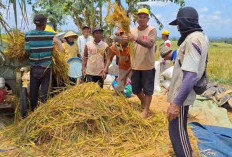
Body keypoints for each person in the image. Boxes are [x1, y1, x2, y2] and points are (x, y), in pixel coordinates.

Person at [167, 7, 209, 157]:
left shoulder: (192, 40)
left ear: (185, 22)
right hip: (182, 92)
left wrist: (176, 103)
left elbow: (190, 76)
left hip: (182, 96)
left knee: (178, 131)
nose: (177, 28)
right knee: (179, 128)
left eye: (179, 24)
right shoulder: (200, 37)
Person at [25, 14, 61, 111]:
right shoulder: (50, 36)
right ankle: (43, 112)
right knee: (45, 92)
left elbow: (27, 50)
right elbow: (60, 47)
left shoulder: (28, 35)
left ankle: (33, 111)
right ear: (44, 24)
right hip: (46, 68)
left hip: (34, 68)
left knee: (34, 91)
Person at [126, 8, 157, 118]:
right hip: (135, 65)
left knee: (148, 90)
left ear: (148, 19)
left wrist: (135, 38)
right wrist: (120, 38)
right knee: (136, 89)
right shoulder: (132, 31)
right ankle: (144, 103)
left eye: (144, 17)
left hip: (147, 66)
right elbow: (125, 42)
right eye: (140, 17)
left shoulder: (152, 30)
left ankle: (146, 111)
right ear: (137, 19)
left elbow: (149, 44)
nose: (142, 19)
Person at [103, 29, 131, 94]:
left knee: (136, 86)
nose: (119, 37)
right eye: (117, 35)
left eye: (121, 35)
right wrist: (106, 68)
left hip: (132, 69)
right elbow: (109, 58)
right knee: (120, 86)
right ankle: (121, 96)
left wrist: (126, 76)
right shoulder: (115, 47)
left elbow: (134, 63)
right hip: (122, 68)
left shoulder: (131, 47)